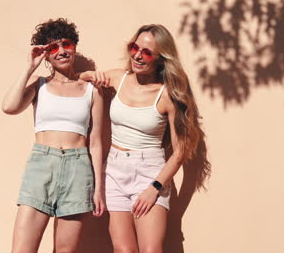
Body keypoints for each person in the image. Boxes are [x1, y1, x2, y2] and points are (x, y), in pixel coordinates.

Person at [81, 24, 203, 253]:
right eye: (134, 47)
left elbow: (180, 151)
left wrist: (155, 187)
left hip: (150, 173)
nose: (137, 55)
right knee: (123, 250)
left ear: (160, 58)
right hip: (114, 171)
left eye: (146, 52)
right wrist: (90, 75)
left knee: (150, 250)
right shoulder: (119, 78)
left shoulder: (168, 94)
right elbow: (81, 80)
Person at [2, 18, 105, 253]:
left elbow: (96, 142)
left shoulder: (92, 90)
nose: (61, 51)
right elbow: (9, 107)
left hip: (78, 169)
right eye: (53, 48)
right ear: (46, 54)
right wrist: (30, 66)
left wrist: (98, 188)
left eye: (66, 44)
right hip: (42, 166)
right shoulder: (39, 85)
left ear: (74, 47)